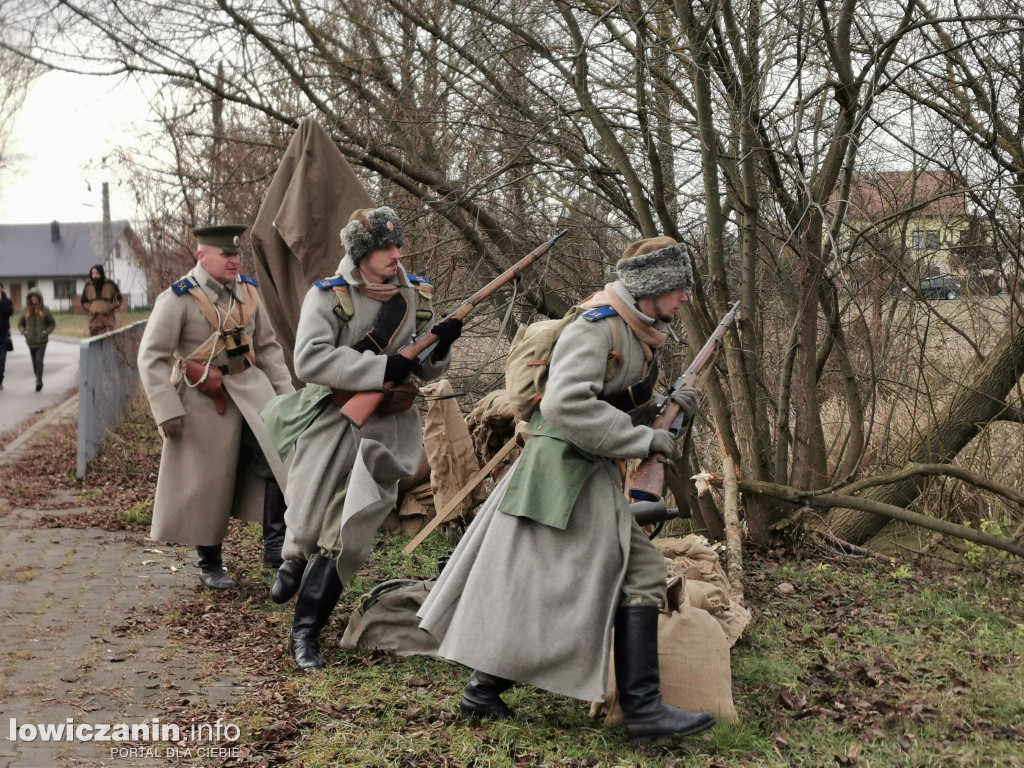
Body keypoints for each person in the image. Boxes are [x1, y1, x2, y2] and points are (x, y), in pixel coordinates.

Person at [417, 236, 716, 744]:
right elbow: (565, 404)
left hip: (582, 468)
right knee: (633, 571)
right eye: (679, 288)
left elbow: (612, 401)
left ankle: (483, 690)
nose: (685, 298)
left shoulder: (635, 329)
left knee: (545, 585)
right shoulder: (597, 326)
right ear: (653, 287)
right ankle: (643, 713)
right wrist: (645, 436)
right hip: (563, 470)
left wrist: (667, 407)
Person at [268, 205, 460, 671]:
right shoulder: (329, 298)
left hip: (386, 428)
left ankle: (305, 634)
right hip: (336, 421)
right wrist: (379, 367)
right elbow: (309, 362)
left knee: (347, 535)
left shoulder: (415, 296)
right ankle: (294, 559)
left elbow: (423, 365)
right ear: (361, 254)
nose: (397, 255)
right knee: (308, 521)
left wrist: (443, 346)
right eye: (385, 249)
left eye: (398, 246)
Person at [137, 224, 294, 589]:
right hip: (205, 399)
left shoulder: (249, 292)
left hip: (252, 391)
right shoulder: (178, 299)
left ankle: (276, 548)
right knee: (207, 482)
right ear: (201, 255)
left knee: (277, 460)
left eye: (237, 254)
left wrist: (286, 400)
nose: (234, 260)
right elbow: (152, 358)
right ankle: (211, 563)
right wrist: (168, 410)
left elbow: (269, 348)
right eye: (226, 254)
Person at [17, 287, 56, 392]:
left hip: (42, 341)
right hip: (30, 341)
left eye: (36, 297)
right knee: (34, 363)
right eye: (32, 297)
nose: (34, 299)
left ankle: (38, 381)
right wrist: (24, 332)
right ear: (29, 299)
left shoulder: (45, 310)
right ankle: (39, 378)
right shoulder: (26, 310)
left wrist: (45, 332)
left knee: (39, 361)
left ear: (39, 298)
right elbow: (20, 324)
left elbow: (52, 323)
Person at [80, 264, 123, 336]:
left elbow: (119, 299)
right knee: (95, 346)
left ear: (101, 273)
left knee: (109, 345)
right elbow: (83, 301)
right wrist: (91, 308)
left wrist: (110, 307)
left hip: (108, 323)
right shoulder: (88, 285)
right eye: (93, 273)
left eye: (97, 273)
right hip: (93, 323)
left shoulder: (110, 284)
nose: (94, 276)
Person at [0, 281, 13, 390]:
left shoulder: (7, 301)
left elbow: (8, 312)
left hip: (3, 335)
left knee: (2, 360)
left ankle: (0, 381)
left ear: (2, 289)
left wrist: (0, 301)